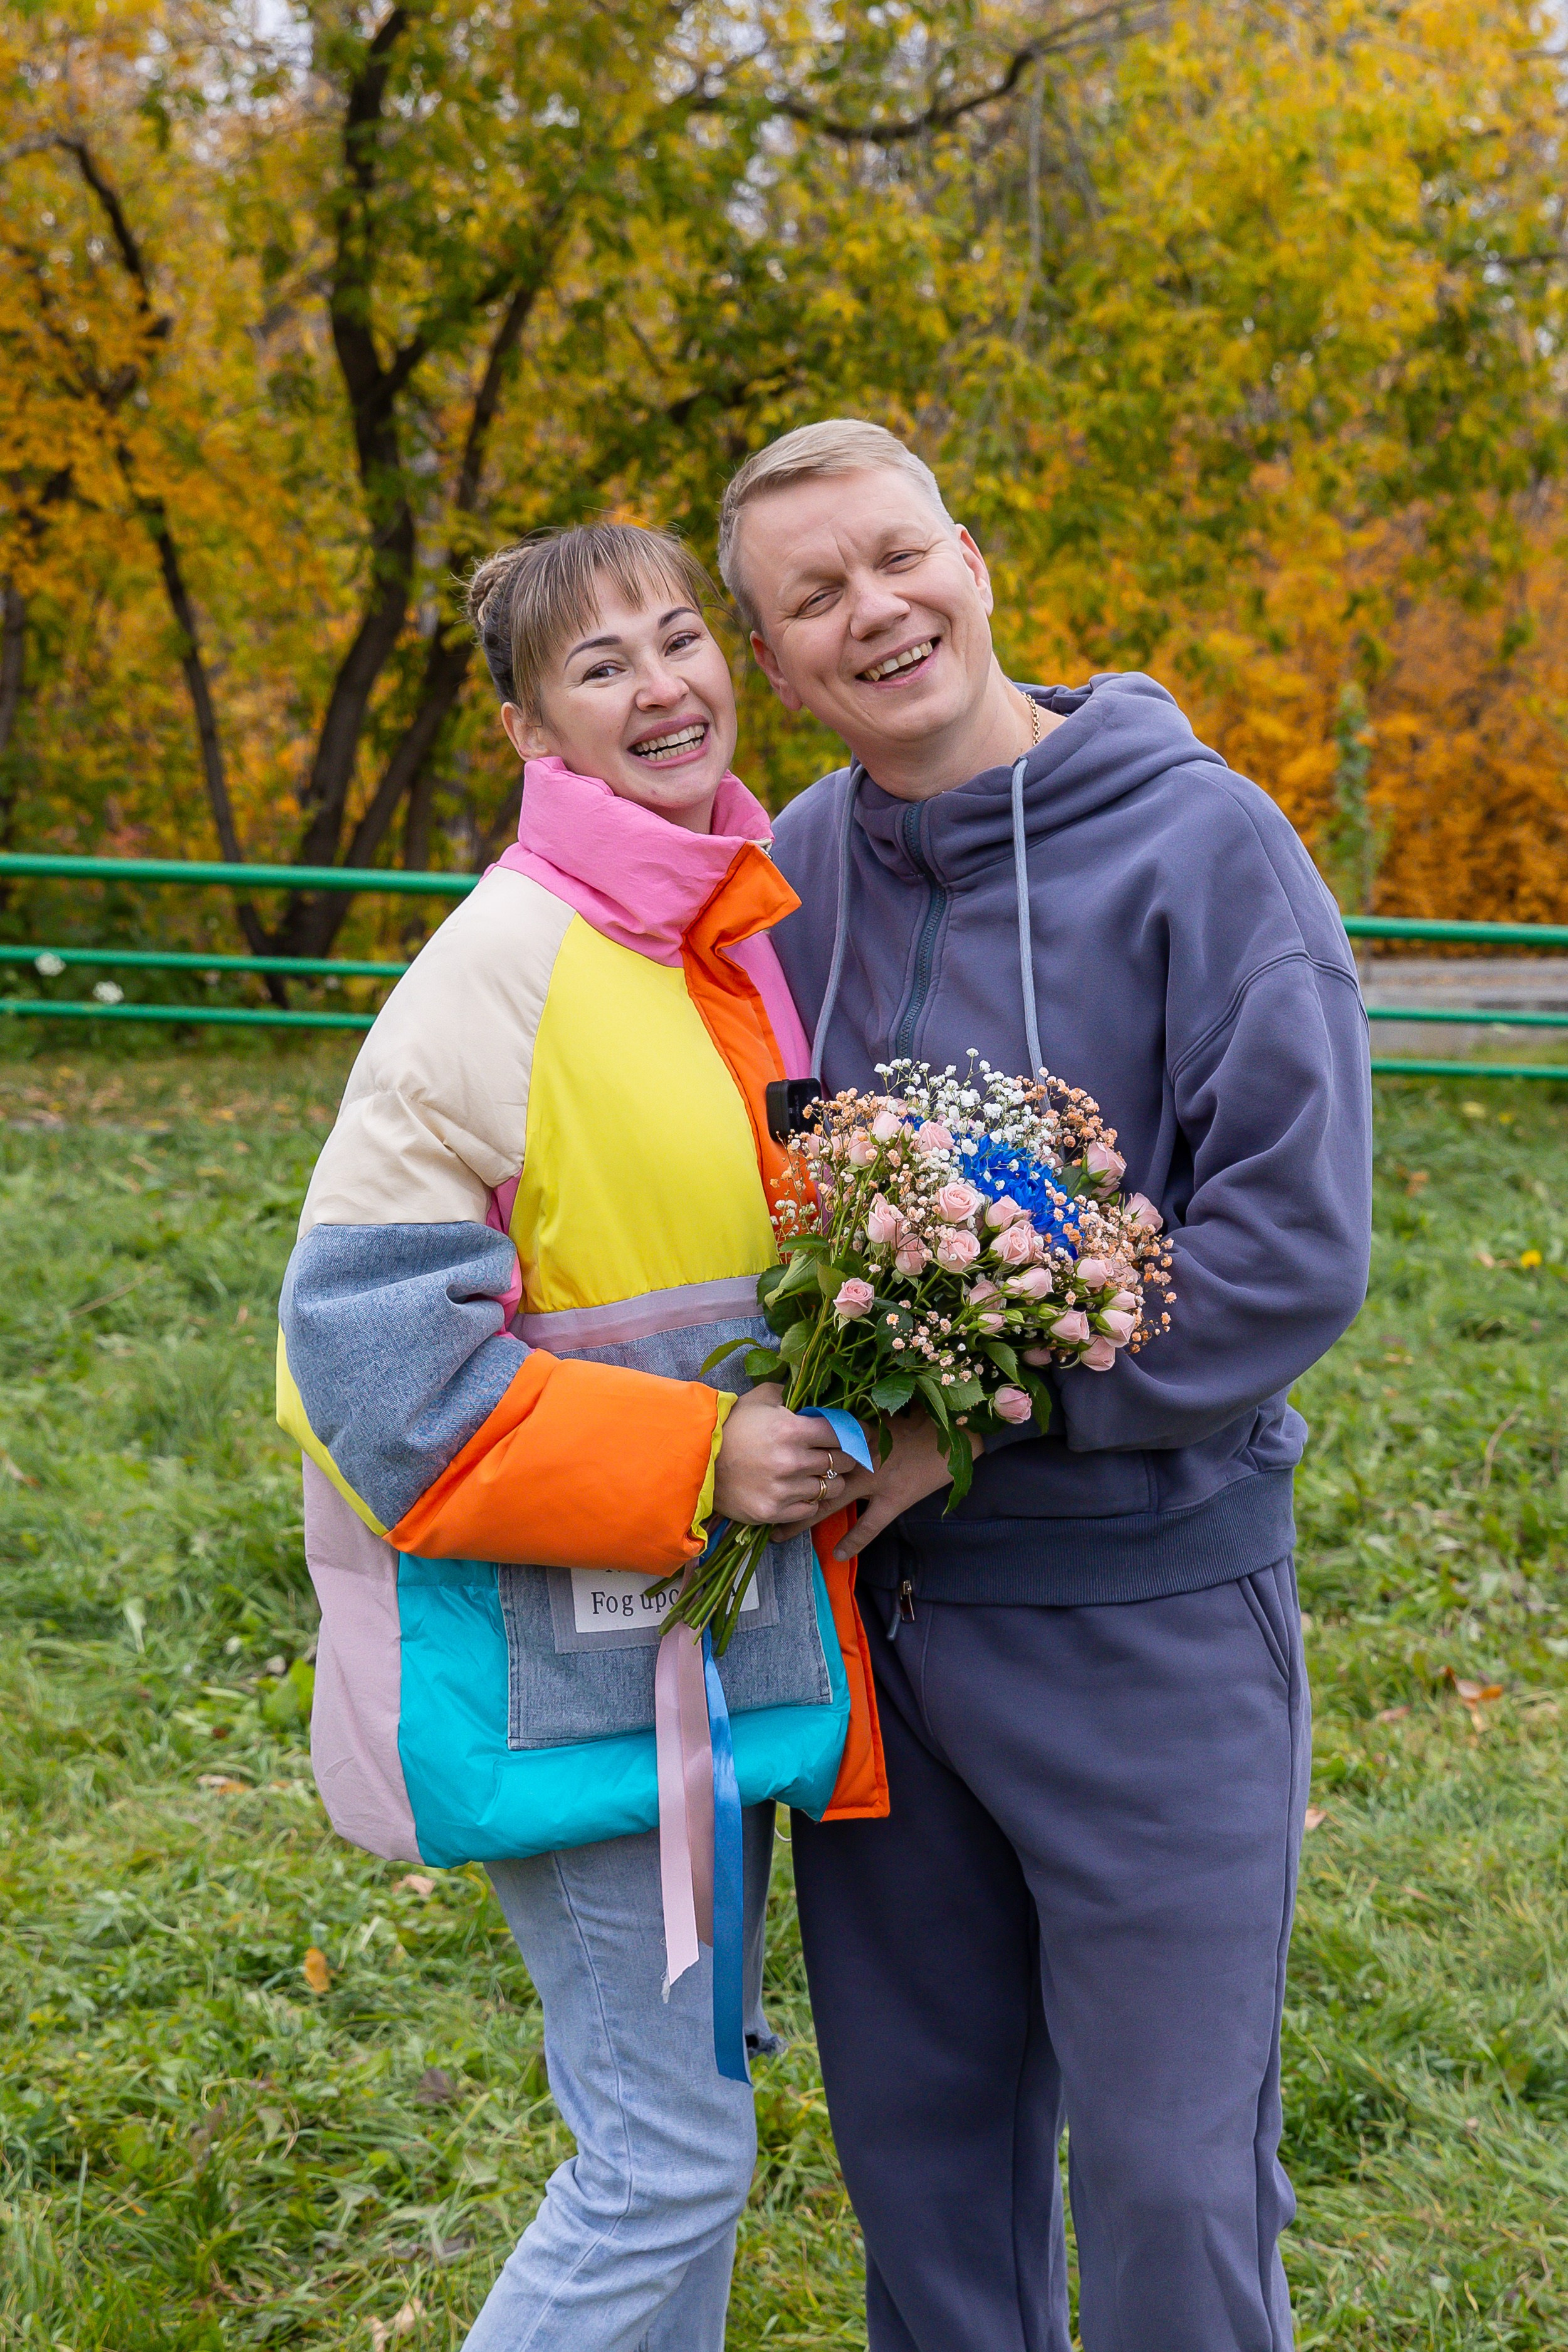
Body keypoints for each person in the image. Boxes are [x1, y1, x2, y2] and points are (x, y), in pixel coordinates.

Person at [716, 418, 1373, 2352]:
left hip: (1143, 1618)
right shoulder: (787, 876)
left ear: (974, 556)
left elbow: (1288, 1247)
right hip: (879, 1643)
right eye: (814, 597)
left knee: (1171, 2183)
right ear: (772, 663)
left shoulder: (1209, 846)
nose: (876, 611)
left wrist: (990, 1416)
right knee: (925, 2182)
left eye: (897, 556)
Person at [275, 521, 885, 2352]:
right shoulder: (508, 966)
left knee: (673, 2137)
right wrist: (702, 1463)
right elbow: (374, 1375)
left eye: (679, 637)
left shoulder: (723, 935)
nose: (662, 683)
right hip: (581, 1663)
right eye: (600, 664)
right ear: (539, 736)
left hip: (692, 1648)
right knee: (663, 2163)